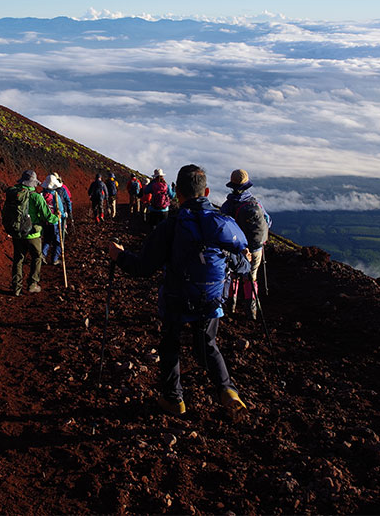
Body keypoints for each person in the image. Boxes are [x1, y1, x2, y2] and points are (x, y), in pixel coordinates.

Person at [109, 164, 250, 417]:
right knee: (207, 344)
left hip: (177, 300)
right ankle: (228, 390)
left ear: (178, 193)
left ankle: (174, 399)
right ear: (206, 191)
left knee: (170, 345)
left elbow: (142, 267)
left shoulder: (170, 228)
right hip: (211, 300)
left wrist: (119, 256)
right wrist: (246, 260)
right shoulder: (221, 225)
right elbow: (241, 265)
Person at [220, 169, 272, 319]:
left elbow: (224, 226)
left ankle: (231, 305)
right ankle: (252, 311)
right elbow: (268, 221)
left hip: (238, 248)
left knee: (234, 274)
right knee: (251, 277)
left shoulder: (229, 205)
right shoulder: (256, 203)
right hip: (257, 248)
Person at [5, 170, 58, 296]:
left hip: (17, 233)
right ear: (32, 183)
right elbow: (47, 216)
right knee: (37, 257)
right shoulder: (36, 197)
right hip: (33, 234)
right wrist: (57, 218)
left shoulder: (14, 193)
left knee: (18, 259)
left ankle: (16, 288)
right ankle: (32, 284)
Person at [41, 174, 65, 265]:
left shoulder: (42, 195)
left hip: (45, 222)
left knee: (47, 239)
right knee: (57, 241)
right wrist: (62, 216)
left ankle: (43, 255)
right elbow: (60, 211)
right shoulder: (55, 196)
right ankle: (54, 259)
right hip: (55, 222)